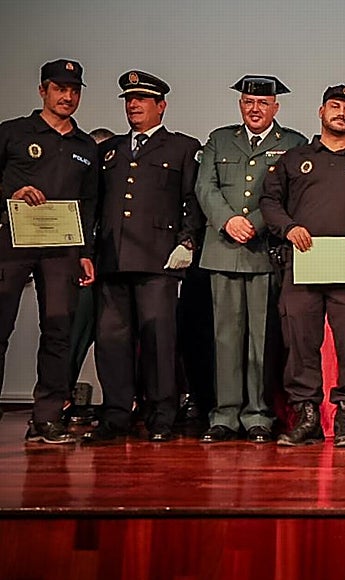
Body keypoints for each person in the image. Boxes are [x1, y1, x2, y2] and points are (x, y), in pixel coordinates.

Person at [260, 84, 345, 447]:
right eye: (334, 106)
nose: (341, 113)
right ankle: (306, 416)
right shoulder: (294, 158)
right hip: (303, 264)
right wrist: (289, 228)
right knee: (300, 340)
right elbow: (270, 202)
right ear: (321, 111)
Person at [84, 70, 203, 444]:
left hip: (158, 262)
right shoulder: (109, 150)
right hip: (113, 259)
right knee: (112, 342)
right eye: (129, 100)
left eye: (142, 100)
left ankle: (161, 413)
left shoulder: (182, 147)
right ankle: (116, 414)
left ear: (161, 106)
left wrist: (187, 243)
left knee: (159, 341)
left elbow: (193, 202)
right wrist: (87, 253)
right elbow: (95, 206)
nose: (133, 106)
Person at [193, 75, 306, 443]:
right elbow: (204, 187)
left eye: (262, 103)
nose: (254, 109)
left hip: (263, 251)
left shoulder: (292, 144)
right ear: (240, 105)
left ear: (276, 107)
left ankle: (257, 414)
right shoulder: (219, 139)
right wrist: (228, 220)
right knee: (225, 337)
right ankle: (224, 415)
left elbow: (290, 195)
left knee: (261, 337)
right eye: (247, 102)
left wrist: (255, 223)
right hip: (223, 249)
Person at [0, 59, 98, 443]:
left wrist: (86, 251)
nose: (68, 96)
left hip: (62, 251)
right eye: (60, 89)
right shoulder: (12, 133)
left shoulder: (86, 145)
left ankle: (47, 416)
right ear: (43, 90)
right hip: (11, 245)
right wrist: (10, 195)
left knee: (58, 331)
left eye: (74, 90)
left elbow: (89, 204)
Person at [63, 125, 115, 426]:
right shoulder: (79, 193)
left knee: (115, 345)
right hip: (80, 273)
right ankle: (61, 398)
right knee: (72, 339)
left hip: (112, 273)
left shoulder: (120, 192)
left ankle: (120, 405)